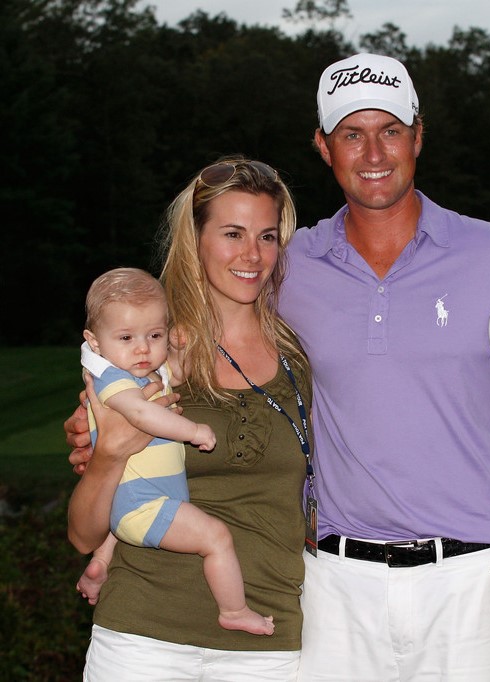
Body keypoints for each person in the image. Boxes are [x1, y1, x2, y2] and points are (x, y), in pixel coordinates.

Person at [274, 53, 490, 681]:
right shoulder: (288, 265)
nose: (373, 152)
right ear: (323, 147)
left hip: (476, 587)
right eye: (351, 134)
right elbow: (208, 361)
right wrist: (113, 423)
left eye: (390, 130)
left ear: (418, 135)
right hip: (334, 588)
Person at [67, 158, 312, 680]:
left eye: (267, 236)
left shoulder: (298, 362)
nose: (252, 254)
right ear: (195, 240)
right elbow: (83, 534)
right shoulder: (145, 356)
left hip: (266, 644)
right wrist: (107, 452)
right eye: (232, 233)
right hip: (140, 636)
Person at [78, 266, 277, 636]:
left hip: (140, 496)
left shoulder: (148, 371)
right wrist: (193, 430)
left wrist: (187, 349)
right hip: (144, 503)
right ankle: (233, 609)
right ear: (95, 342)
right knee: (215, 537)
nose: (142, 348)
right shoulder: (112, 381)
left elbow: (180, 373)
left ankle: (101, 561)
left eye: (154, 335)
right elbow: (142, 413)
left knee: (121, 515)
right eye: (126, 337)